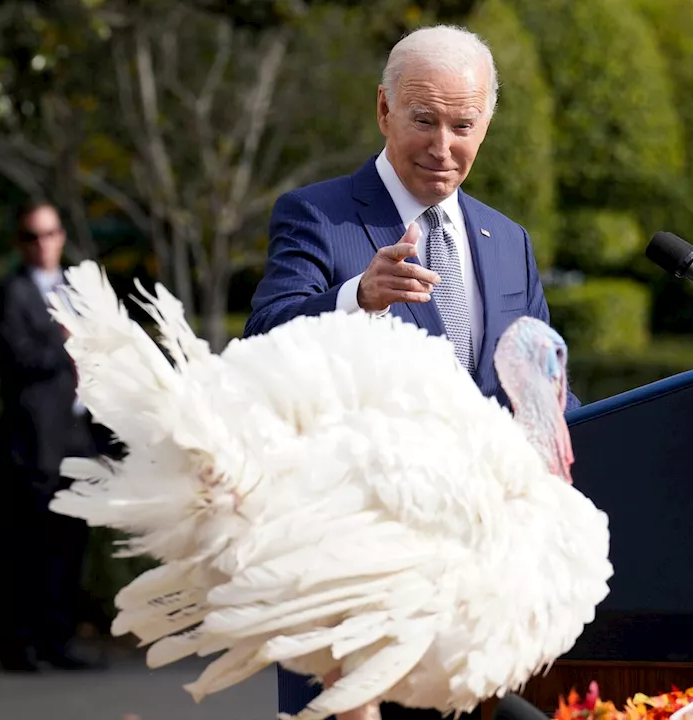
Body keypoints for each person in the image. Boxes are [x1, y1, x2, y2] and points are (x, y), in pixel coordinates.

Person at [242, 24, 579, 720]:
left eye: (464, 124)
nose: (443, 145)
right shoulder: (318, 217)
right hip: (359, 584)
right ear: (384, 110)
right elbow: (262, 343)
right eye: (424, 120)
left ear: (486, 124)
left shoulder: (508, 240)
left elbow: (543, 386)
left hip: (483, 586)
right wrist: (355, 298)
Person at [0, 200, 106, 672]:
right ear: (21, 243)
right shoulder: (11, 294)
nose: (44, 244)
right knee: (24, 549)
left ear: (61, 236)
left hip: (77, 438)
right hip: (32, 443)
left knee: (67, 546)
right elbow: (17, 358)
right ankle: (19, 644)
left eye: (50, 233)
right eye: (33, 236)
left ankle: (59, 640)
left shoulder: (76, 289)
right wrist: (66, 337)